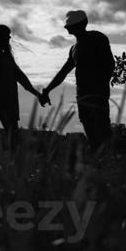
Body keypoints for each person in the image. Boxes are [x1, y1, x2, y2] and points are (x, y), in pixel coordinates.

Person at [40, 9, 115, 151]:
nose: (66, 27)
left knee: (102, 128)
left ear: (80, 24)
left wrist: (100, 86)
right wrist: (47, 90)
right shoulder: (74, 48)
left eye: (69, 24)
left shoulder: (97, 38)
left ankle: (109, 160)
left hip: (97, 94)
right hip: (82, 96)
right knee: (90, 128)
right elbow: (63, 72)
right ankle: (97, 159)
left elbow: (109, 64)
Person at [0, 24, 44, 145]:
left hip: (7, 103)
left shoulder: (7, 57)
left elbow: (21, 77)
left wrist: (37, 94)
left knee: (12, 140)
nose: (9, 39)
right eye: (7, 36)